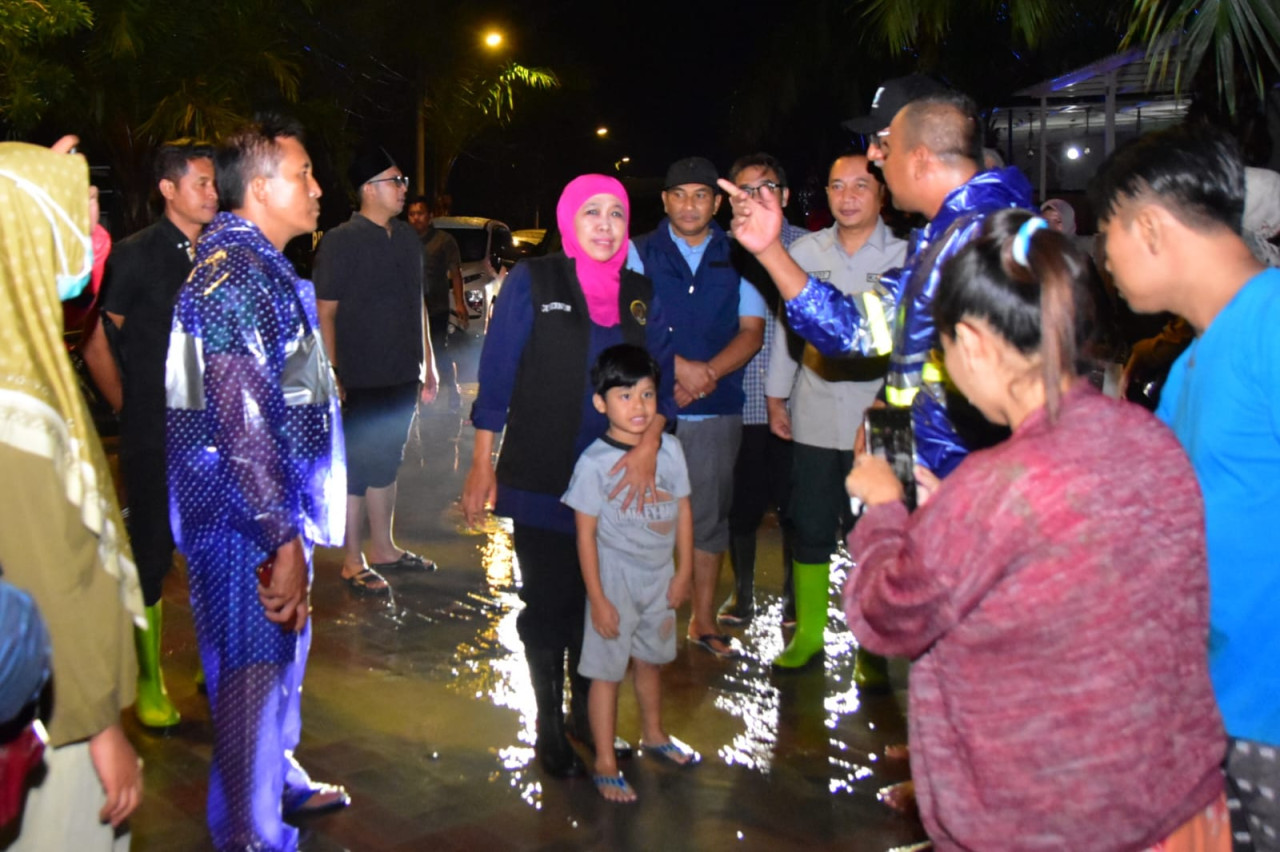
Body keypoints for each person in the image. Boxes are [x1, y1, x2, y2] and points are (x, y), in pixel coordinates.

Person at [844, 209, 1228, 851]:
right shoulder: (1149, 437)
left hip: (1051, 823)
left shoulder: (996, 487)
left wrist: (885, 512)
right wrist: (946, 514)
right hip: (1176, 805)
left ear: (971, 342)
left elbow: (886, 615)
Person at [1091, 124, 1280, 851]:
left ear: (1148, 226)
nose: (1104, 261)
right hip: (1209, 717)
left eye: (1106, 236)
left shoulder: (1269, 325)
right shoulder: (1190, 365)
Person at [166, 115, 349, 851]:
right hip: (244, 526)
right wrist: (279, 533)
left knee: (277, 665)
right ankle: (247, 833)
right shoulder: (235, 277)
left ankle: (278, 780)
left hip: (268, 516)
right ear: (264, 188)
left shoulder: (258, 268)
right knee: (246, 683)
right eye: (303, 173)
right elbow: (240, 424)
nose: (316, 187)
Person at [462, 174, 675, 779]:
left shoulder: (640, 292)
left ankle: (587, 715)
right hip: (542, 470)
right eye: (592, 213)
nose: (605, 225)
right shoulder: (536, 280)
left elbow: (661, 380)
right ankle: (548, 727)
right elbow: (498, 371)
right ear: (567, 221)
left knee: (599, 604)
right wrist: (483, 462)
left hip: (617, 479)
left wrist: (650, 442)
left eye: (615, 213)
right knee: (548, 602)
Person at [721, 76, 1033, 477]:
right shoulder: (952, 235)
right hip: (930, 469)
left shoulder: (987, 241)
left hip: (961, 487)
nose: (872, 156)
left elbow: (858, 333)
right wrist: (885, 423)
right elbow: (876, 336)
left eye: (882, 143)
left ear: (919, 156)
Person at [0, 136, 144, 851]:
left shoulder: (23, 352)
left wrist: (39, 189)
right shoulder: (16, 405)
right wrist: (101, 727)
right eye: (68, 213)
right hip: (53, 724)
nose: (88, 232)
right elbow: (48, 577)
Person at [764, 153, 907, 673]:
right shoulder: (803, 251)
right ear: (825, 194)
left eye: (861, 186)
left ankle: (874, 647)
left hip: (885, 419)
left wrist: (893, 398)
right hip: (817, 411)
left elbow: (916, 345)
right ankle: (808, 635)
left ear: (882, 194)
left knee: (881, 537)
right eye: (836, 185)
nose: (847, 196)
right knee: (811, 525)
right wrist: (777, 398)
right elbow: (787, 330)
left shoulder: (906, 256)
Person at [100, 141, 218, 729]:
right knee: (151, 548)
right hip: (154, 428)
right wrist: (128, 404)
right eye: (200, 182)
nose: (212, 192)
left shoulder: (222, 251)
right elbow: (100, 337)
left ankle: (212, 663)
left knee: (212, 548)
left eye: (215, 182)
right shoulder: (137, 255)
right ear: (168, 189)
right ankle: (148, 680)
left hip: (214, 429)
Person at [635, 157, 766, 660]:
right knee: (643, 516)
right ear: (665, 200)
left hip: (716, 406)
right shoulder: (637, 253)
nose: (690, 205)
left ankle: (703, 620)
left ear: (716, 203)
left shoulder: (742, 253)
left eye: (701, 195)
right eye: (679, 194)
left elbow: (751, 333)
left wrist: (705, 374)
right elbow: (627, 326)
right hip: (646, 409)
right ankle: (649, 619)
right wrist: (677, 370)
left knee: (709, 518)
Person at [562, 344, 697, 803]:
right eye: (624, 396)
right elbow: (585, 536)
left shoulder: (671, 450)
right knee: (606, 672)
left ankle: (654, 734)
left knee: (650, 661)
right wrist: (598, 598)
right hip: (614, 579)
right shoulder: (593, 464)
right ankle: (604, 758)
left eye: (646, 394)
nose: (638, 406)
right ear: (600, 403)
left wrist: (684, 574)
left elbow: (683, 510)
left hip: (659, 576)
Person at [315, 145, 439, 596]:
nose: (404, 189)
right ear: (369, 189)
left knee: (388, 461)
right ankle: (352, 559)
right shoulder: (341, 240)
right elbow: (325, 311)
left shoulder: (407, 238)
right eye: (396, 181)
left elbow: (418, 301)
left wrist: (429, 361)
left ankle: (384, 547)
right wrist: (332, 372)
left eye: (403, 180)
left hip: (402, 371)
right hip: (359, 375)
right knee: (357, 467)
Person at [717, 152, 807, 628]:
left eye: (765, 188)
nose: (753, 199)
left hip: (798, 405)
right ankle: (742, 595)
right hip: (739, 401)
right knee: (741, 508)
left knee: (797, 508)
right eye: (743, 190)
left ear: (785, 195)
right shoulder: (720, 249)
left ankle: (795, 601)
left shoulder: (812, 247)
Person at [407, 195, 468, 408]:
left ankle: (452, 392)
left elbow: (455, 272)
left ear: (430, 216)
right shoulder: (403, 240)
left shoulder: (444, 241)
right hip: (409, 310)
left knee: (439, 350)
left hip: (436, 307)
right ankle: (417, 396)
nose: (416, 218)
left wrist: (459, 303)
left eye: (420, 213)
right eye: (412, 214)